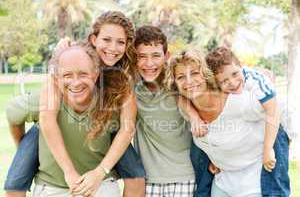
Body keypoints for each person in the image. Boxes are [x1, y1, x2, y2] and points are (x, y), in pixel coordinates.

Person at [4, 11, 145, 197]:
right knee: (15, 181)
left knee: (136, 175)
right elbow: (47, 119)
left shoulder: (122, 76)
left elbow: (127, 129)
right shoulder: (69, 56)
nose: (113, 48)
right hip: (51, 121)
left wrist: (101, 171)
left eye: (120, 42)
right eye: (107, 40)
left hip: (103, 125)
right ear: (93, 39)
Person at [166, 48, 290, 197]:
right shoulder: (187, 107)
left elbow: (277, 108)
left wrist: (272, 147)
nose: (189, 81)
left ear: (206, 75)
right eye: (181, 77)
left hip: (254, 182)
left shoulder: (238, 102)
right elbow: (177, 96)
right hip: (223, 182)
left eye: (194, 73)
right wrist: (214, 157)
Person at [133, 25, 195, 197]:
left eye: (155, 56)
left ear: (166, 56)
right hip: (148, 180)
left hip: (184, 177)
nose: (149, 63)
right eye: (142, 57)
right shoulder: (132, 89)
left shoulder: (179, 85)